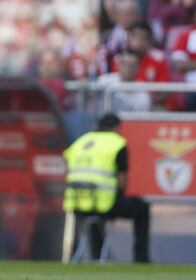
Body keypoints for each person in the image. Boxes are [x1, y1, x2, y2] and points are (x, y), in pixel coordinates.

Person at [63, 113, 150, 263]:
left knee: (93, 213)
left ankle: (96, 255)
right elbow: (122, 182)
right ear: (116, 128)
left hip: (76, 203)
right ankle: (141, 259)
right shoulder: (117, 143)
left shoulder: (81, 142)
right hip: (104, 203)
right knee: (142, 208)